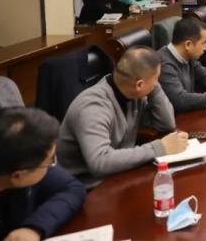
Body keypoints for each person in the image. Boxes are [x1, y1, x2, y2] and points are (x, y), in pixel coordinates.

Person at [57, 46, 186, 188]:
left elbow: (166, 124)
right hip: (86, 188)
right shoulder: (93, 106)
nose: (157, 83)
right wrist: (159, 148)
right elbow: (100, 162)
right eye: (156, 79)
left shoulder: (133, 95)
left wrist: (152, 87)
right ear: (139, 84)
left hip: (118, 176)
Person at [0, 107, 86, 241]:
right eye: (50, 160)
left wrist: (34, 228)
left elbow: (72, 188)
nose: (52, 165)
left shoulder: (19, 152)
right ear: (18, 176)